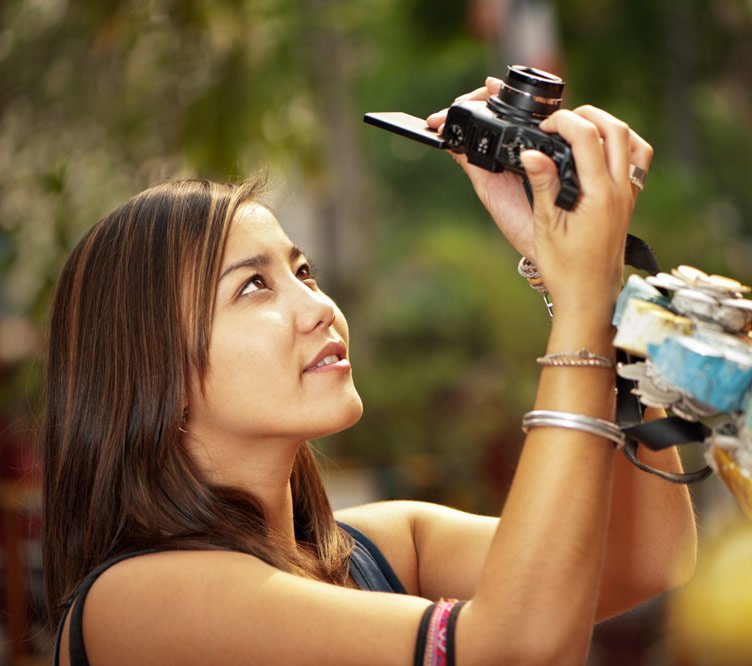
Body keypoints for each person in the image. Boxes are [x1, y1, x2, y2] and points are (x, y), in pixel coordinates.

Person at [43, 77, 696, 665]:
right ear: (153, 372)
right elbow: (513, 648)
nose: (318, 307)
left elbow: (644, 558)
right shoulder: (136, 600)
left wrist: (597, 296)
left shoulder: (382, 551)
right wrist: (579, 304)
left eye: (303, 273)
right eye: (252, 288)